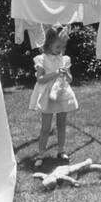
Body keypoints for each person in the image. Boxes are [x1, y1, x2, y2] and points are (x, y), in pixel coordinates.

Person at [29, 25, 78, 167]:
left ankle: (61, 150)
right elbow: (40, 79)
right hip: (47, 95)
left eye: (63, 46)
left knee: (61, 124)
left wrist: (66, 73)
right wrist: (56, 73)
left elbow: (69, 80)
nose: (61, 50)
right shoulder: (42, 59)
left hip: (61, 92)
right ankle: (41, 153)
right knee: (45, 127)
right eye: (58, 46)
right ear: (48, 44)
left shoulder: (64, 59)